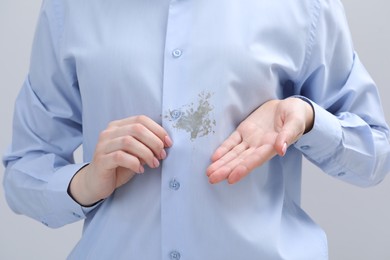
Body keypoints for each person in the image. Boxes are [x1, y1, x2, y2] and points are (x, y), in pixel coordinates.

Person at [3, 0, 390, 259]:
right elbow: (23, 168)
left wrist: (305, 118)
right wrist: (84, 184)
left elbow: (374, 152)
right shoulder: (70, 8)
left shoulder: (304, 6)